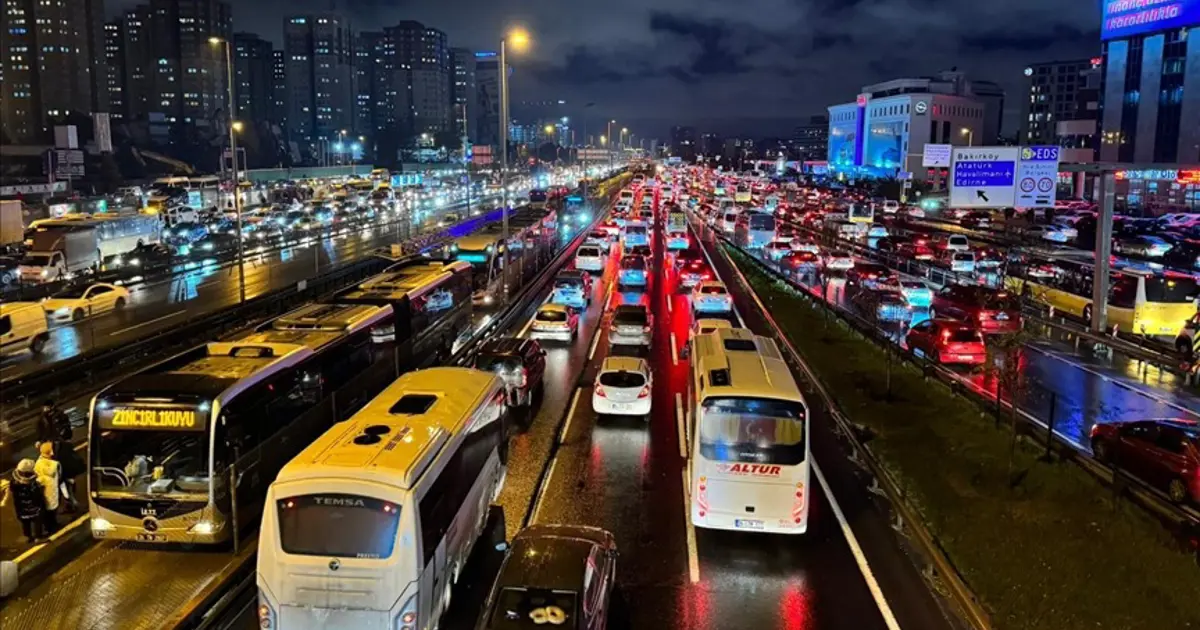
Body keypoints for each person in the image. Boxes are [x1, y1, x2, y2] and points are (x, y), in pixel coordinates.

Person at [7, 459, 46, 543]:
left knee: (25, 523)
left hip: (21, 507)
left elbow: (12, 490)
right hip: (33, 507)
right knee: (37, 521)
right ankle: (38, 536)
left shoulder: (14, 482)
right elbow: (36, 495)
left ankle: (28, 536)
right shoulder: (32, 484)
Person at [33, 442, 62, 534]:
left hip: (45, 491)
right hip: (51, 490)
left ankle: (50, 526)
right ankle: (52, 527)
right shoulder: (54, 465)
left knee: (48, 511)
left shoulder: (38, 463)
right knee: (51, 512)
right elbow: (55, 474)